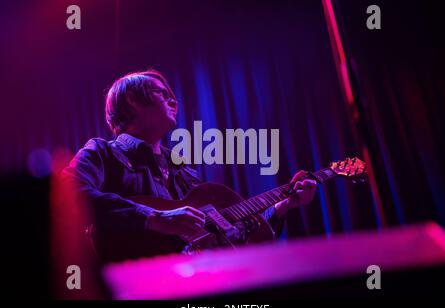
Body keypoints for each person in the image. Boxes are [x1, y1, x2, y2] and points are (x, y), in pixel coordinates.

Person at [62, 69, 317, 263]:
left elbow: (227, 232)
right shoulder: (103, 152)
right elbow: (68, 195)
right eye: (162, 93)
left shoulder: (182, 170)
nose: (174, 101)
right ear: (132, 100)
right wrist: (155, 218)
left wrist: (281, 206)